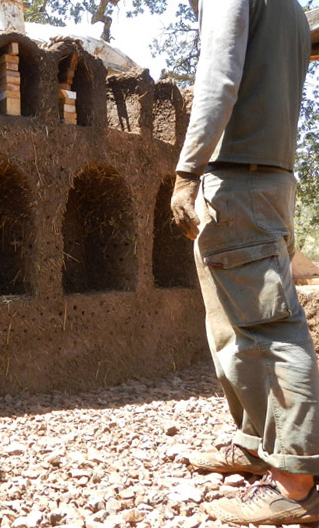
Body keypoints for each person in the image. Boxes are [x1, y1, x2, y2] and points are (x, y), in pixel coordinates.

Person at [170, 0, 319, 524]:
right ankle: (257, 446)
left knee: (271, 331)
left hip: (241, 180)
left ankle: (297, 486)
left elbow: (218, 77)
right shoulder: (295, 11)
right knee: (232, 329)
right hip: (267, 179)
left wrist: (187, 170)